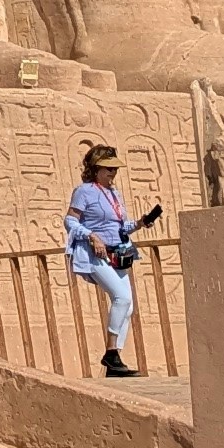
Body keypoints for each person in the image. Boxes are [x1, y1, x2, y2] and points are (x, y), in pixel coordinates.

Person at [67, 145, 149, 378]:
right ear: (96, 170)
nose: (113, 174)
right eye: (108, 169)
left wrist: (140, 223)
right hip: (94, 253)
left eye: (115, 169)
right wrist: (91, 235)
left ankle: (115, 361)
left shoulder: (114, 194)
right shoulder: (84, 192)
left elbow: (121, 227)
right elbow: (70, 221)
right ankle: (111, 352)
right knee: (121, 298)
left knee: (128, 305)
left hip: (117, 252)